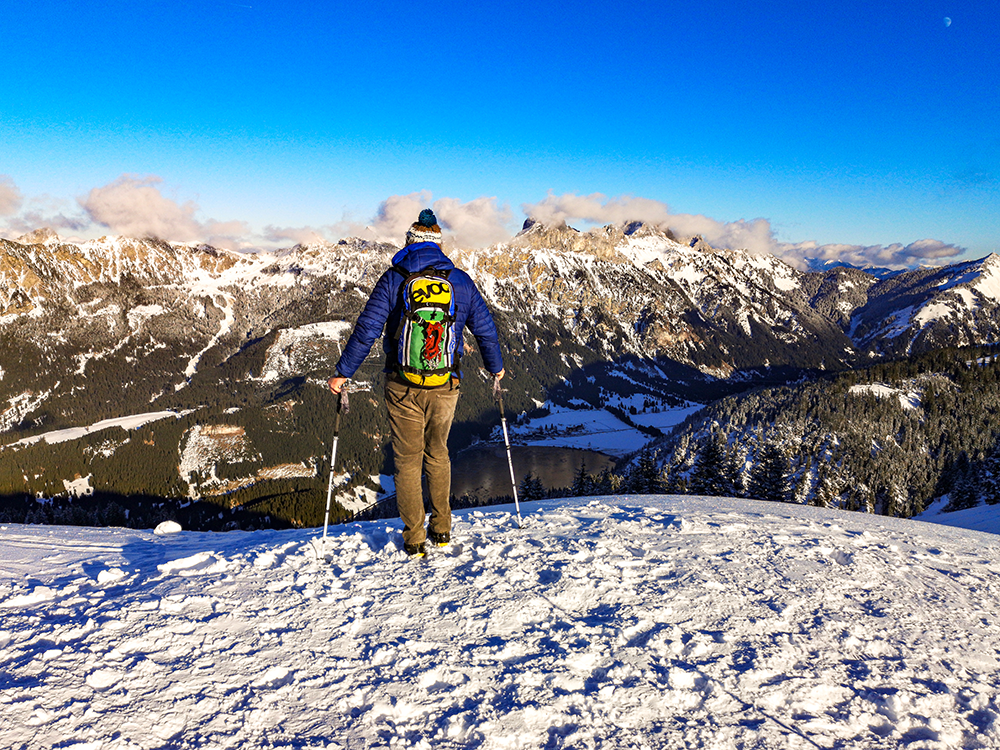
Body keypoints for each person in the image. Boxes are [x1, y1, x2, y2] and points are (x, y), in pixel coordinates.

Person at [328, 209, 505, 557]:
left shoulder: (394, 279)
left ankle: (414, 540)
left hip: (402, 384)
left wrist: (343, 372)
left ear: (409, 243)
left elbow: (366, 332)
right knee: (438, 454)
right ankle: (442, 530)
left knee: (407, 462)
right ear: (439, 245)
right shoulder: (461, 282)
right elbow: (485, 330)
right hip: (446, 384)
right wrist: (495, 368)